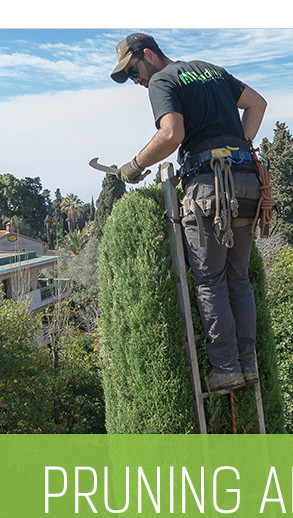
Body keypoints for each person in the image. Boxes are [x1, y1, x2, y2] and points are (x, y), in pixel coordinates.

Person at [110, 32, 268, 395]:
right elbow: (258, 104)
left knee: (211, 280)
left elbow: (171, 134)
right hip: (246, 183)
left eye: (134, 72)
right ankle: (248, 364)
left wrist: (133, 166)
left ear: (147, 54)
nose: (137, 81)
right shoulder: (211, 71)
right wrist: (238, 148)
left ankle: (227, 368)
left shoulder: (163, 80)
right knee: (238, 278)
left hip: (209, 189)